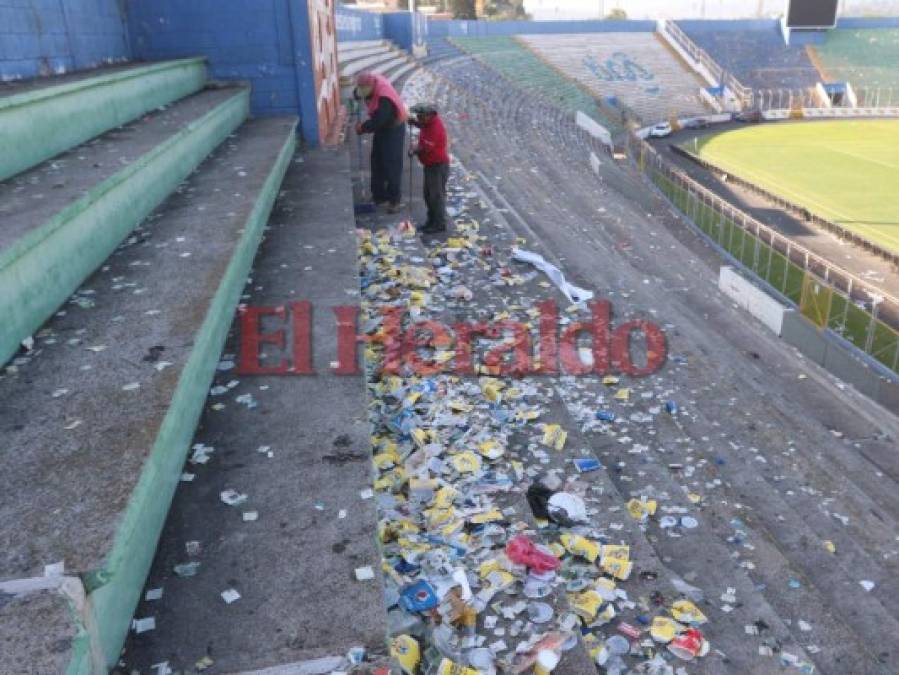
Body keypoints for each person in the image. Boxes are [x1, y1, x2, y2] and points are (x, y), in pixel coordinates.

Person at [355, 72, 407, 213]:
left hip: (393, 127)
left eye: (364, 89)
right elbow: (359, 92)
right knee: (377, 160)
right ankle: (379, 196)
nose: (363, 92)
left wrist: (363, 127)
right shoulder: (372, 83)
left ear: (371, 86)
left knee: (391, 163)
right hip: (382, 127)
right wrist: (356, 95)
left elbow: (379, 120)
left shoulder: (385, 98)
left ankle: (394, 200)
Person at [407, 103, 450, 234]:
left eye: (421, 117)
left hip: (437, 166)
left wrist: (413, 151)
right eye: (417, 116)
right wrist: (415, 122)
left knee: (435, 196)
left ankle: (439, 224)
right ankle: (431, 221)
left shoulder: (435, 128)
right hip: (430, 165)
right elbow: (423, 125)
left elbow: (425, 148)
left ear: (428, 115)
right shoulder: (429, 122)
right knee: (428, 195)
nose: (419, 119)